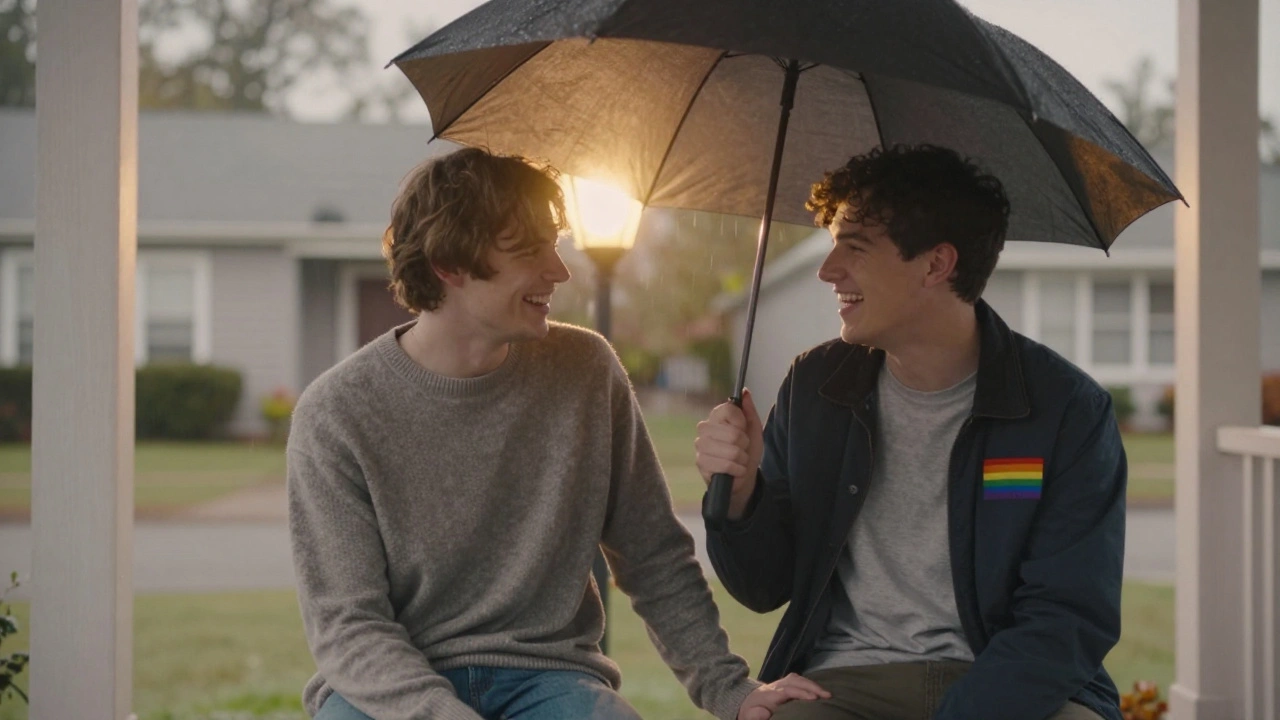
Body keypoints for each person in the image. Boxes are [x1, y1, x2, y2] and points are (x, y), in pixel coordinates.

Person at [287, 147, 827, 720]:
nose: (560, 270)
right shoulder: (336, 413)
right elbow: (350, 623)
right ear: (449, 265)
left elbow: (653, 556)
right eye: (529, 251)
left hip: (550, 681)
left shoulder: (586, 370)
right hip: (389, 691)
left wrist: (730, 690)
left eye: (555, 243)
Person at [695, 144, 1126, 720]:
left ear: (935, 265)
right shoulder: (815, 385)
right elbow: (763, 587)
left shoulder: (1066, 409)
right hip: (845, 680)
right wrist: (742, 494)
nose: (828, 271)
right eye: (832, 247)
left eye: (855, 247)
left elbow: (1068, 617)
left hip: (1014, 689)